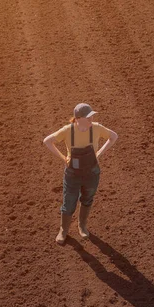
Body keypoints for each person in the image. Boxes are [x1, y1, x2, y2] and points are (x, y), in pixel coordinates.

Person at [43, 103, 118, 245]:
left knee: (87, 198)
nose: (92, 119)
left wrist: (99, 154)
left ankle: (82, 226)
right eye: (88, 117)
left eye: (92, 116)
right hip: (72, 174)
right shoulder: (68, 130)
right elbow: (47, 141)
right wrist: (63, 158)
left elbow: (113, 136)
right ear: (78, 118)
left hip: (92, 173)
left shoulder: (96, 128)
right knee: (69, 203)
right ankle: (63, 230)